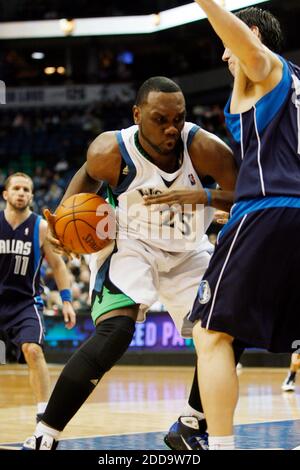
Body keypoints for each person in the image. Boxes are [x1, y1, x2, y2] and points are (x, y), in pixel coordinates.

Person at [22, 76, 238, 451]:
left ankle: (190, 423)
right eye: (159, 119)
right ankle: (45, 434)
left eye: (178, 118)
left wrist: (204, 194)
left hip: (188, 250)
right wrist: (61, 217)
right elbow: (87, 175)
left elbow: (247, 194)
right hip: (130, 244)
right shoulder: (112, 150)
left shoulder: (204, 148)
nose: (171, 128)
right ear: (137, 115)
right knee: (115, 333)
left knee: (228, 332)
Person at [188, 1, 300, 450]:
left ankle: (220, 447)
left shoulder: (269, 69)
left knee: (210, 333)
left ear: (249, 34)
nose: (223, 55)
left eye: (225, 46)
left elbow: (248, 50)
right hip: (282, 212)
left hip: (269, 212)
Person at [0, 172, 76, 423]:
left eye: (26, 189)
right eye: (16, 188)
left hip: (25, 302)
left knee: (33, 350)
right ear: (6, 194)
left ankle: (44, 412)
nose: (21, 193)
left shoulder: (40, 227)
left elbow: (58, 265)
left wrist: (66, 300)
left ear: (32, 196)